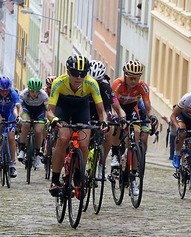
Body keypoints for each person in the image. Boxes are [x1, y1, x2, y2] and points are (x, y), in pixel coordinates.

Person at [47, 55, 108, 197]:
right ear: (68, 72)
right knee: (63, 138)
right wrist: (54, 119)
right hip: (63, 108)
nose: (79, 77)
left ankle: (79, 177)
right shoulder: (58, 83)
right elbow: (49, 110)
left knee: (83, 144)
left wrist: (103, 121)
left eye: (83, 74)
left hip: (81, 109)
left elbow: (101, 110)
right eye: (75, 73)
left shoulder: (91, 83)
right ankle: (55, 180)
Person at [111, 60, 158, 195]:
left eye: (136, 78)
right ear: (125, 75)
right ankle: (115, 155)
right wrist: (117, 115)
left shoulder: (142, 86)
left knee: (135, 141)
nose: (133, 81)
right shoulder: (117, 83)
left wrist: (152, 117)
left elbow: (148, 107)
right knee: (119, 125)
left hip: (132, 108)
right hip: (118, 107)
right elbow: (112, 102)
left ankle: (133, 178)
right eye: (131, 77)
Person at [87, 60, 126, 170]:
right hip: (86, 107)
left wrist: (122, 117)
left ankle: (101, 164)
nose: (94, 84)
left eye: (97, 81)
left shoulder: (105, 86)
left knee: (110, 129)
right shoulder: (82, 83)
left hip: (103, 108)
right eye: (91, 81)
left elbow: (117, 107)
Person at [17, 78, 49, 169]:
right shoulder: (24, 94)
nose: (35, 94)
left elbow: (48, 109)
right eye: (32, 91)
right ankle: (22, 149)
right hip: (27, 109)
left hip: (39, 111)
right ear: (28, 89)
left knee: (38, 131)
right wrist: (19, 116)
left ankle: (38, 154)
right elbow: (19, 107)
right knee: (25, 124)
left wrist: (46, 119)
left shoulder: (43, 95)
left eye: (37, 91)